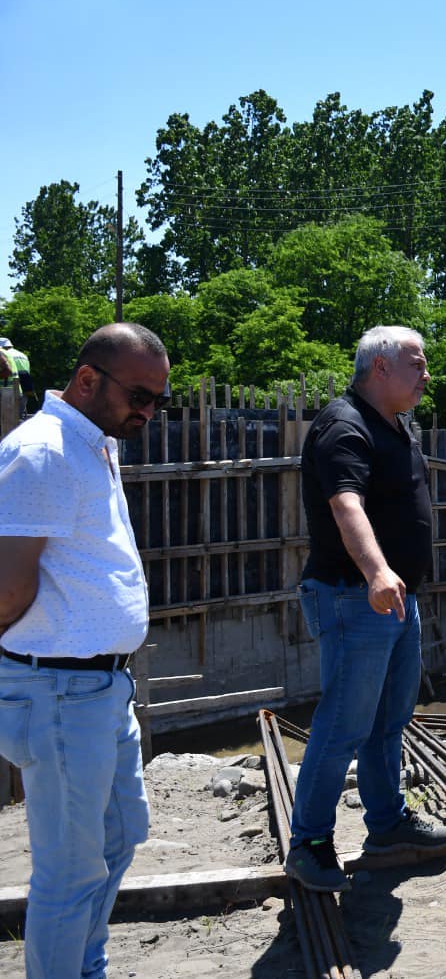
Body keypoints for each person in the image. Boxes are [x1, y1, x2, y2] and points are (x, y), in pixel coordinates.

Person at [0, 323, 167, 978]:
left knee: (122, 835)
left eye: (160, 400)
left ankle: (83, 966)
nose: (149, 411)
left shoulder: (93, 442)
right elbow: (9, 585)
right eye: (140, 395)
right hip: (61, 691)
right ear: (88, 379)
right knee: (69, 874)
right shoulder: (41, 451)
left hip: (101, 689)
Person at [285, 325, 446, 892]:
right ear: (380, 367)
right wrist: (377, 570)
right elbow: (345, 503)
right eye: (417, 362)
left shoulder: (396, 425)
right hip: (354, 596)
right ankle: (308, 841)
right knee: (344, 723)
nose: (426, 373)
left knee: (388, 720)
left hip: (394, 599)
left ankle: (386, 822)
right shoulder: (343, 424)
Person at [1, 337, 33, 413]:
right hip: (25, 382)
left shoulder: (5, 353)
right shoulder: (23, 355)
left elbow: (8, 369)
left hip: (11, 381)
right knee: (19, 412)